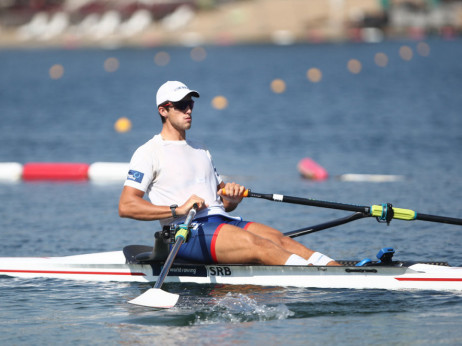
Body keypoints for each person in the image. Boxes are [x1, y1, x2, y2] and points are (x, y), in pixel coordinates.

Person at [119, 81, 339, 266]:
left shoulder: (201, 148)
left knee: (281, 241)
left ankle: (337, 270)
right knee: (259, 245)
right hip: (186, 232)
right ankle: (314, 276)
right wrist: (179, 208)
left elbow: (221, 202)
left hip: (222, 221)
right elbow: (127, 205)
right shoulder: (148, 152)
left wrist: (230, 199)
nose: (188, 110)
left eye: (190, 104)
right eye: (181, 105)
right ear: (163, 110)